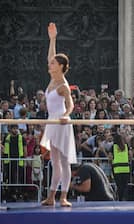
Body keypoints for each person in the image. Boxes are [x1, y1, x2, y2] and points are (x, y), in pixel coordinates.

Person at [40, 22, 77, 207]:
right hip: (52, 122)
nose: (50, 64)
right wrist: (52, 39)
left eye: (54, 63)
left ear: (60, 66)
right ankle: (51, 196)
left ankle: (63, 196)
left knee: (64, 161)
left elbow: (71, 105)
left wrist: (66, 116)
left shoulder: (62, 85)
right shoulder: (52, 79)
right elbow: (50, 56)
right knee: (54, 162)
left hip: (61, 122)